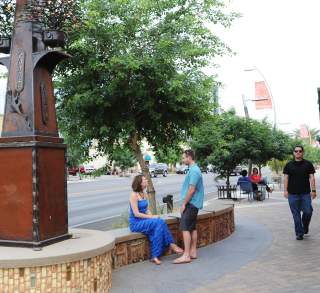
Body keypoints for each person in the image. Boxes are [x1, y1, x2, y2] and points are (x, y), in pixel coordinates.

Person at [129, 175, 183, 265]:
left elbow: (146, 210)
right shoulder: (134, 195)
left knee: (158, 224)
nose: (146, 180)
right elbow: (136, 213)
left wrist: (153, 216)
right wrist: (152, 217)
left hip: (144, 221)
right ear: (140, 183)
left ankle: (155, 256)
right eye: (144, 179)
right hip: (136, 223)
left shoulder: (144, 194)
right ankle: (171, 245)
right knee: (159, 222)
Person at [174, 150, 204, 264]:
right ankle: (193, 252)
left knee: (185, 228)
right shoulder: (193, 169)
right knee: (192, 228)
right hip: (193, 203)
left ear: (189, 157)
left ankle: (186, 255)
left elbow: (191, 190)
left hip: (191, 203)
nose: (182, 160)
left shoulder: (194, 171)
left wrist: (184, 204)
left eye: (183, 158)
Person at [283, 145, 317, 240]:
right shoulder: (289, 165)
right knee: (296, 214)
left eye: (300, 151)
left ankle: (304, 226)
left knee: (308, 211)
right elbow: (286, 178)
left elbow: (312, 177)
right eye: (296, 151)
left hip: (305, 193)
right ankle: (299, 233)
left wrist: (313, 190)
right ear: (293, 153)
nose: (298, 152)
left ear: (303, 152)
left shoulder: (308, 164)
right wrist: (285, 190)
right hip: (292, 194)